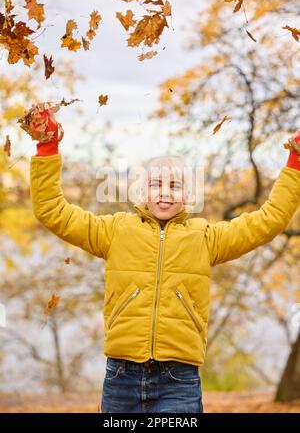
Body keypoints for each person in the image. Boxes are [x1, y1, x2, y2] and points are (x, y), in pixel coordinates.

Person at [29, 109, 300, 413]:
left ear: (188, 195)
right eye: (157, 184)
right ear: (143, 191)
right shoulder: (115, 230)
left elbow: (269, 220)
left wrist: (295, 162)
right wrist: (47, 147)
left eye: (174, 186)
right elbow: (52, 210)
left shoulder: (205, 238)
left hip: (179, 378)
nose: (165, 193)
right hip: (121, 375)